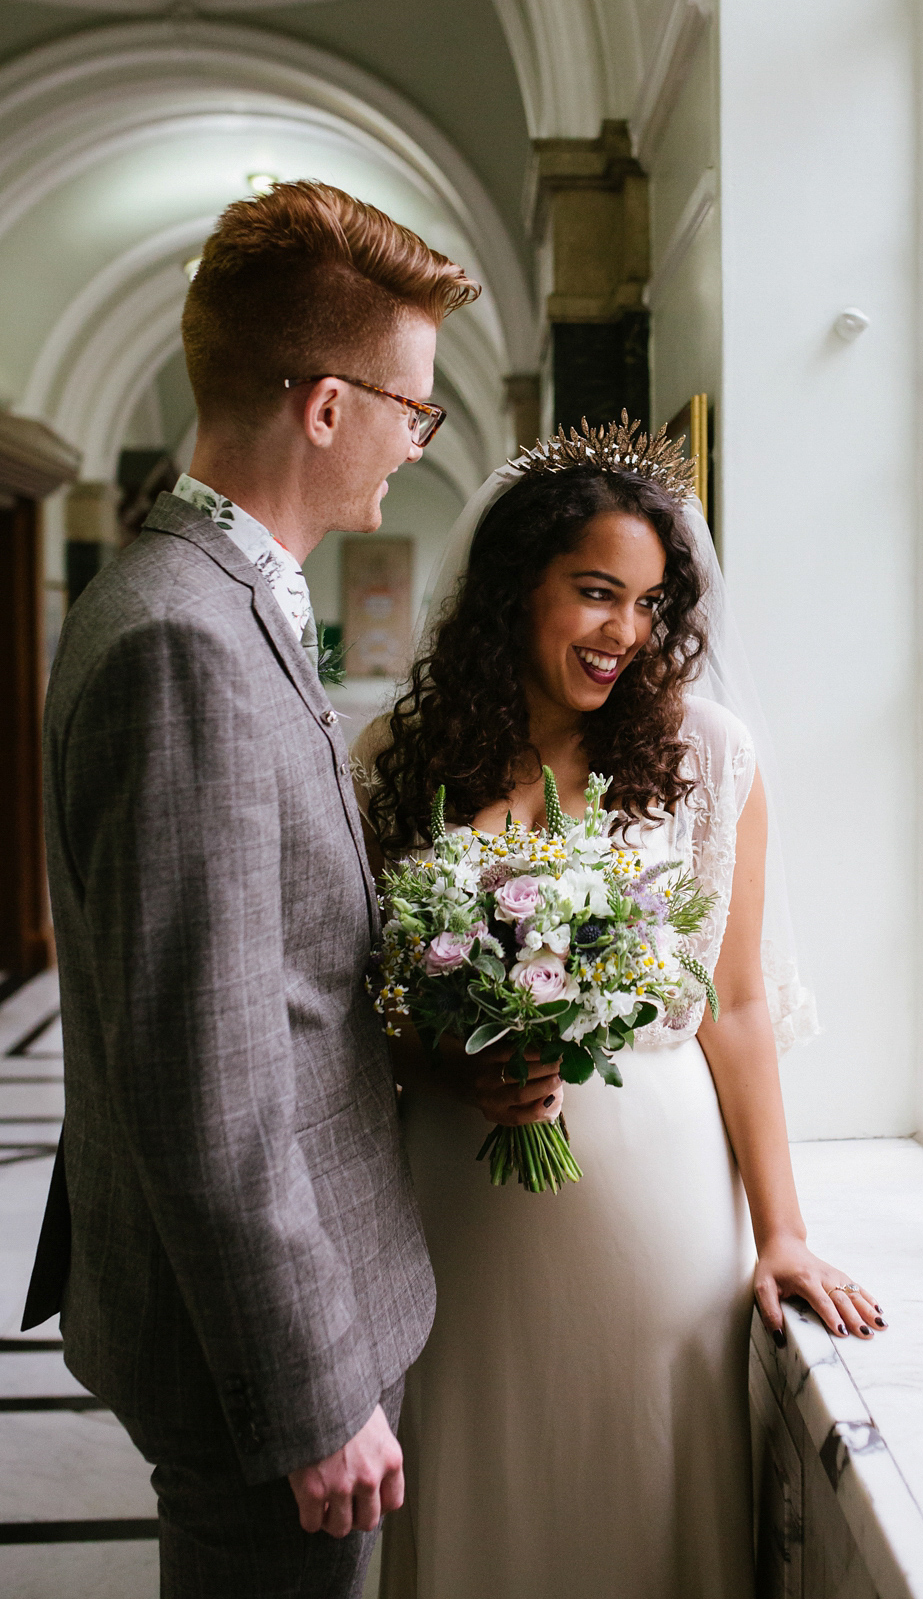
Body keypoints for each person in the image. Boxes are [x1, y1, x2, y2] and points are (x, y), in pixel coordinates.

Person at [23, 180, 478, 1598]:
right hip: (269, 1356)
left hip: (292, 1307)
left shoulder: (213, 600)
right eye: (416, 407)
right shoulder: (182, 643)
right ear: (327, 407)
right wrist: (311, 1391)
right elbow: (201, 1073)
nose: (418, 440)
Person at [352, 420, 885, 1599]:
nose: (624, 634)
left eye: (648, 605)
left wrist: (782, 1231)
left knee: (644, 1492)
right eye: (597, 593)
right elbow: (363, 1010)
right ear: (515, 587)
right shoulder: (397, 757)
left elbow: (736, 1008)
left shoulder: (710, 758)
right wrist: (452, 1070)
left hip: (658, 1200)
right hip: (457, 1197)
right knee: (482, 1482)